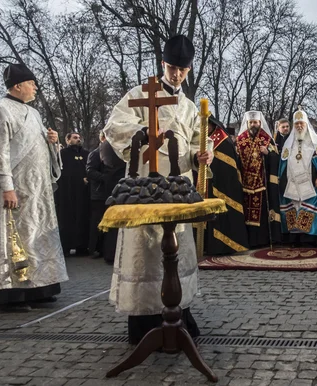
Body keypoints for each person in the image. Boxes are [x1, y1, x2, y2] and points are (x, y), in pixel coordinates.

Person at [103, 34, 212, 343]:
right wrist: (143, 134)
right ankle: (144, 322)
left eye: (182, 69)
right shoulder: (139, 93)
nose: (176, 74)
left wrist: (201, 154)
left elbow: (194, 143)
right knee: (145, 251)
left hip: (178, 187)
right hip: (143, 187)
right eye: (172, 67)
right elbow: (114, 126)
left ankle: (179, 314)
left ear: (189, 70)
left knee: (177, 250)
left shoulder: (190, 106)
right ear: (163, 64)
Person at [0, 63, 68, 311]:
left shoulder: (35, 114)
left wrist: (53, 143)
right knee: (14, 240)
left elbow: (41, 150)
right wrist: (6, 186)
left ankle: (40, 288)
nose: (36, 88)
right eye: (31, 83)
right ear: (17, 86)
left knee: (37, 240)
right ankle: (12, 295)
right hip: (16, 189)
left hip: (38, 190)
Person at [279, 109, 317, 246]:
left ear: (306, 124)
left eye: (301, 123)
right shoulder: (288, 143)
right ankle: (295, 238)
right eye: (296, 124)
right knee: (295, 208)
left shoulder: (315, 142)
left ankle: (311, 237)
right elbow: (283, 163)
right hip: (292, 182)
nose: (299, 126)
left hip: (310, 181)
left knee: (308, 207)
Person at [235, 111, 281, 248]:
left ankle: (262, 240)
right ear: (247, 123)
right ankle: (248, 240)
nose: (253, 125)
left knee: (261, 213)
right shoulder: (240, 140)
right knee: (246, 213)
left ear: (260, 123)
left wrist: (268, 153)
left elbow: (276, 158)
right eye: (251, 122)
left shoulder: (267, 139)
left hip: (262, 183)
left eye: (256, 122)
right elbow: (236, 161)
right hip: (244, 184)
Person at [204, 116, 249, 255]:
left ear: (212, 125)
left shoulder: (222, 140)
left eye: (206, 125)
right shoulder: (202, 139)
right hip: (207, 184)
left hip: (223, 186)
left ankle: (223, 246)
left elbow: (228, 167)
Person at [56, 131, 90, 257]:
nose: (78, 139)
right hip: (67, 193)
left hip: (83, 193)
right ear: (68, 140)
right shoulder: (62, 154)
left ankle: (82, 246)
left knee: (83, 218)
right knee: (66, 219)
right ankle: (66, 246)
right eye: (75, 137)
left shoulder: (86, 154)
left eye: (79, 137)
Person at [86, 131, 108, 258]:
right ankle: (93, 248)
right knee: (97, 222)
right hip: (99, 193)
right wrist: (105, 178)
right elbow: (90, 171)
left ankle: (103, 248)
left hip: (107, 191)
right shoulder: (95, 154)